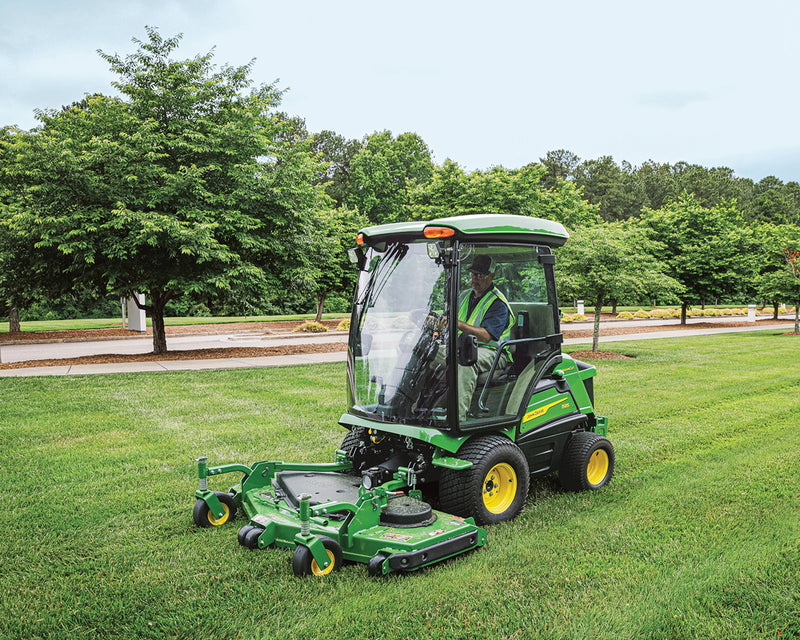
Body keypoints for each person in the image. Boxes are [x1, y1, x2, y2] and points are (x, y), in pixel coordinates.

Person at [456, 255, 514, 419]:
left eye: (481, 275)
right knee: (426, 352)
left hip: (493, 352)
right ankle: (410, 409)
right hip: (463, 345)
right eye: (474, 274)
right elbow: (449, 318)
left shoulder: (497, 303)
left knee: (465, 360)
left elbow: (487, 336)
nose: (475, 279)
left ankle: (458, 418)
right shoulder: (465, 296)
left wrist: (459, 324)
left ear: (492, 276)